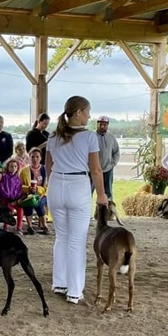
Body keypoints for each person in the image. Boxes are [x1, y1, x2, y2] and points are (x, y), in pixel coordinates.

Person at [46, 96, 108, 304]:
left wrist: (51, 185)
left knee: (61, 237)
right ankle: (74, 290)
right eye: (88, 111)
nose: (89, 115)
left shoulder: (53, 136)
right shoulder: (89, 137)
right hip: (78, 186)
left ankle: (59, 282)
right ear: (79, 112)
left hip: (56, 185)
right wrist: (101, 194)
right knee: (76, 240)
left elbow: (48, 166)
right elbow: (96, 169)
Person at [19, 148, 48, 234]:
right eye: (32, 157)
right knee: (29, 202)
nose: (35, 159)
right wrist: (28, 189)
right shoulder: (24, 171)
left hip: (43, 194)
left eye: (37, 157)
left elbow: (48, 186)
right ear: (29, 158)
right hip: (28, 194)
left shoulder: (45, 170)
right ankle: (30, 226)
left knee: (38, 202)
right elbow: (20, 186)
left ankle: (44, 225)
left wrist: (39, 190)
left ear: (40, 158)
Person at [0, 158, 26, 233]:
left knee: (20, 210)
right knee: (9, 210)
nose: (13, 168)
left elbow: (19, 189)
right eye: (11, 166)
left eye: (15, 166)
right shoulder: (4, 177)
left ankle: (19, 227)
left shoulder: (18, 178)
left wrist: (16, 199)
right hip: (6, 200)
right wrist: (8, 197)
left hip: (15, 200)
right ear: (8, 167)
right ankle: (6, 226)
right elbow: (2, 188)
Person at [95, 115, 120, 202]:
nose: (102, 126)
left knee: (108, 192)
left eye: (104, 124)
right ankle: (87, 214)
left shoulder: (111, 138)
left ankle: (107, 212)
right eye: (100, 124)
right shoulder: (92, 137)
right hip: (93, 170)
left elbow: (116, 152)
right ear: (97, 124)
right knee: (89, 191)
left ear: (107, 125)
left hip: (107, 170)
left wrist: (113, 163)